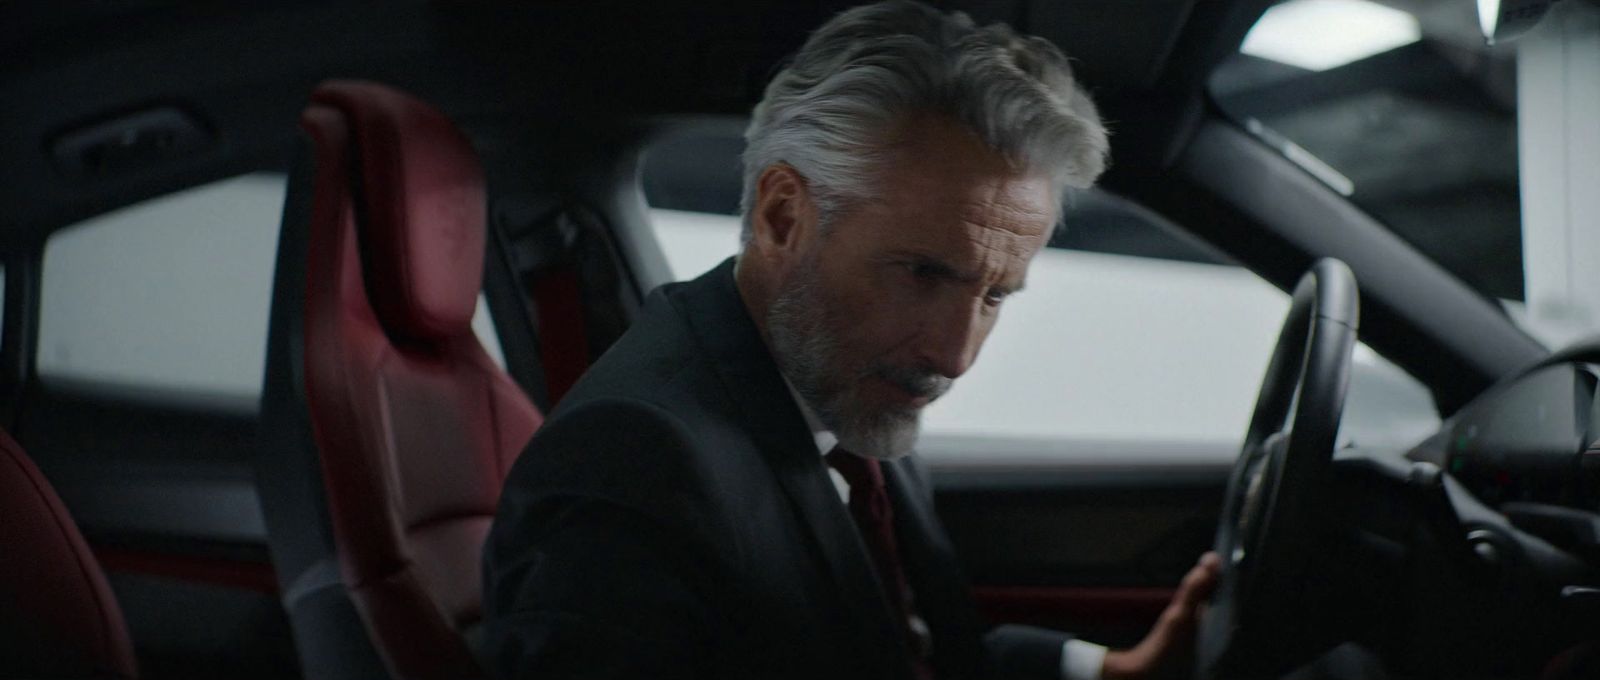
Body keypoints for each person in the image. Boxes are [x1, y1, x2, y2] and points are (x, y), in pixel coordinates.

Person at [482, 2, 1221, 678]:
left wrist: (1109, 673)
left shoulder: (834, 391)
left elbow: (910, 650)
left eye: (994, 295)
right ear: (782, 216)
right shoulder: (633, 468)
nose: (955, 355)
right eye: (922, 273)